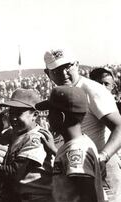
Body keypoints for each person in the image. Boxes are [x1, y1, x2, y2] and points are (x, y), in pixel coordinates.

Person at [44, 48, 121, 202]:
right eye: (57, 70)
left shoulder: (91, 90)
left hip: (100, 167)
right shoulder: (62, 91)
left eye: (68, 66)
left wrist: (103, 157)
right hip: (78, 165)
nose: (64, 73)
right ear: (48, 73)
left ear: (77, 64)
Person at [36, 86, 105, 202]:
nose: (47, 117)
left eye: (50, 113)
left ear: (61, 117)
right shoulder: (81, 142)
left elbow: (87, 195)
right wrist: (54, 149)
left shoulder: (75, 151)